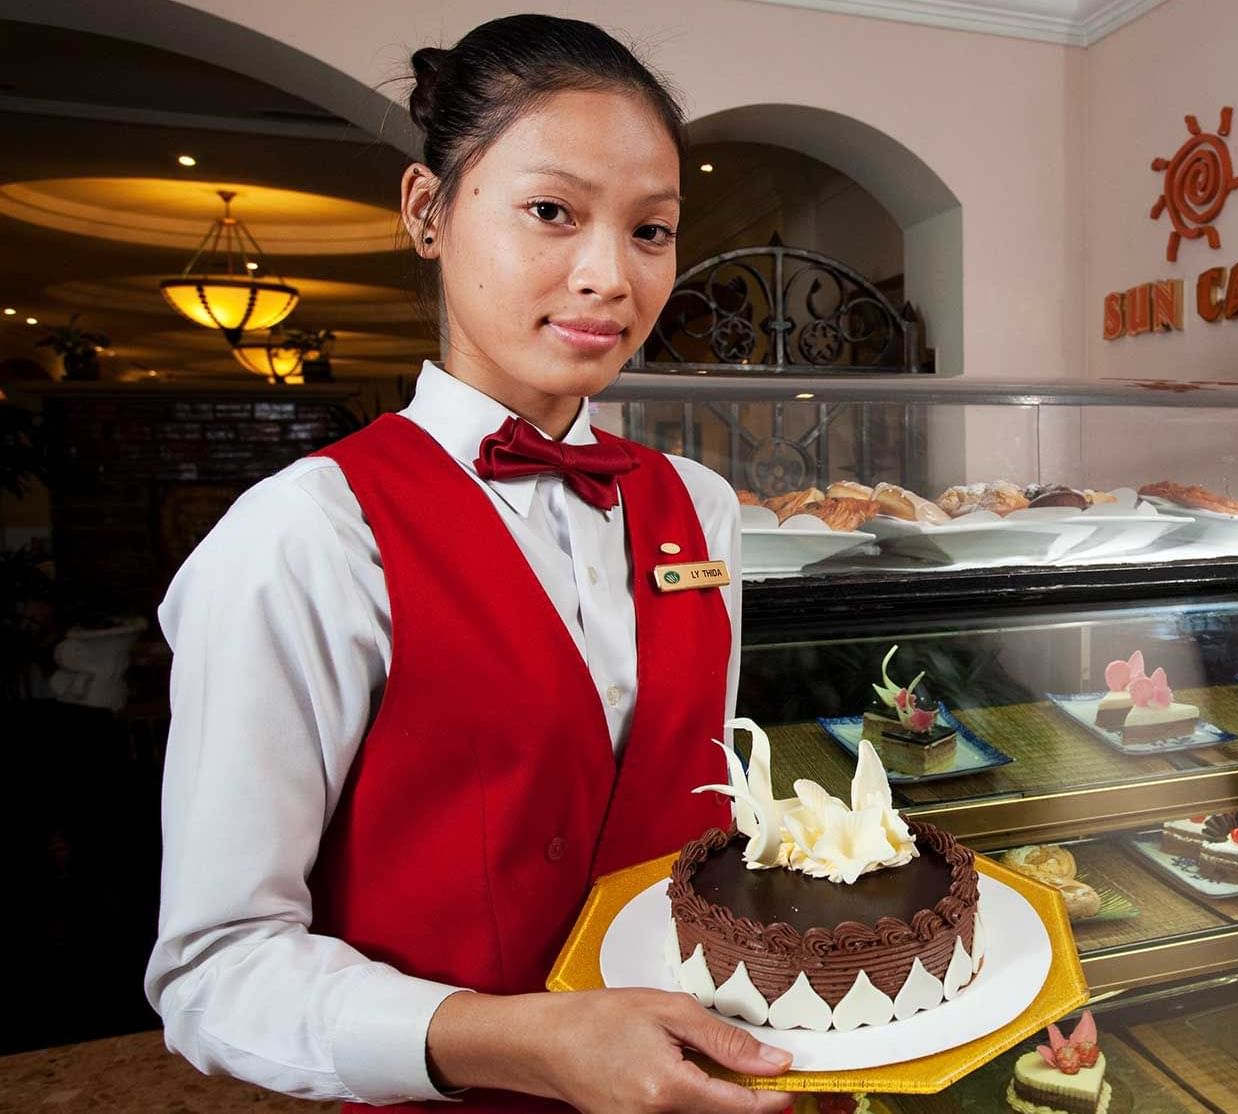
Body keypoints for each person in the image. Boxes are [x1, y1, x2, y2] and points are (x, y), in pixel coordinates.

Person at [144, 15, 790, 1113]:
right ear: (427, 211)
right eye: (552, 211)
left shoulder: (704, 507)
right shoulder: (305, 533)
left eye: (651, 230)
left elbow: (696, 822)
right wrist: (517, 1042)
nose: (608, 275)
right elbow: (215, 971)